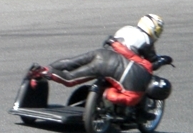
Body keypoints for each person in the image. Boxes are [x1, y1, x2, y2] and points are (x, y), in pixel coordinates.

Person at [28, 14, 164, 106]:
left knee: (70, 63)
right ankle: (47, 75)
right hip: (114, 67)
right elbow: (149, 61)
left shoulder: (127, 29)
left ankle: (45, 69)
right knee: (70, 79)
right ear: (154, 30)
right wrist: (162, 60)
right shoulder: (147, 41)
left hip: (102, 53)